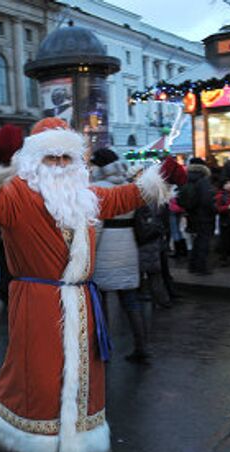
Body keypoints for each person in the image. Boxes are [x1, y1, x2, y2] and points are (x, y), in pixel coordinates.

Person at [0, 118, 185, 452]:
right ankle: (22, 441)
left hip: (82, 301)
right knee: (35, 375)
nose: (59, 166)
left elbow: (124, 196)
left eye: (66, 158)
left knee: (84, 375)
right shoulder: (18, 193)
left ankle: (78, 447)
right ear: (34, 160)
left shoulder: (86, 195)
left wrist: (160, 176)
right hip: (37, 301)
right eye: (51, 159)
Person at [90, 149, 149, 363]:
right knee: (131, 301)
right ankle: (141, 346)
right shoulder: (129, 187)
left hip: (104, 248)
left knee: (100, 301)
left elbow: (95, 227)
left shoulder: (96, 189)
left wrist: (88, 252)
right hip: (128, 245)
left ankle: (102, 348)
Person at [182, 157, 216, 275]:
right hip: (204, 216)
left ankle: (192, 266)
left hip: (191, 215)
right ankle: (202, 268)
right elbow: (207, 199)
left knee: (196, 241)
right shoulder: (203, 179)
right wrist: (214, 209)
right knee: (204, 241)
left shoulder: (186, 178)